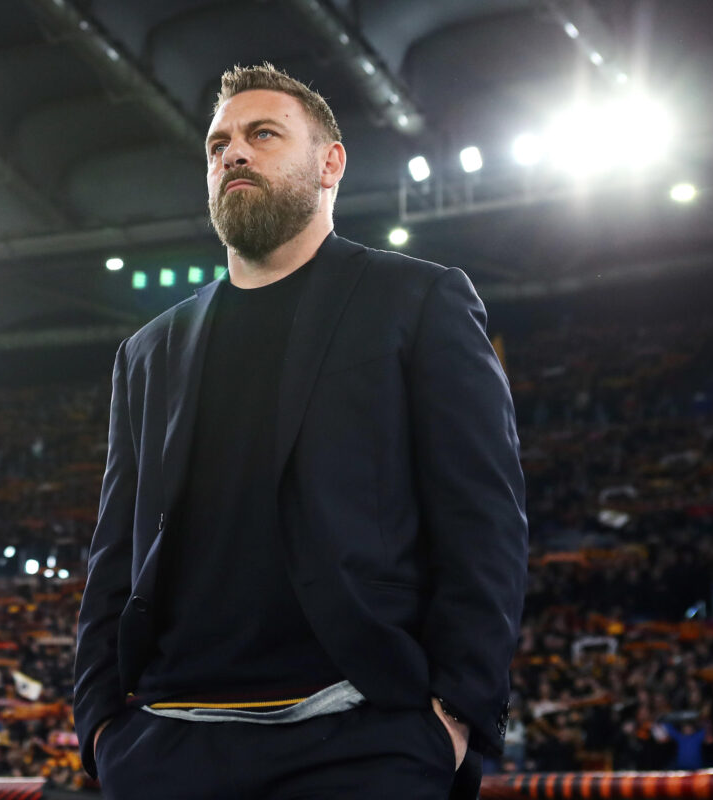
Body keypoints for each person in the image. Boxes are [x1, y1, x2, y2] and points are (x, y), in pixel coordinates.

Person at [73, 63, 528, 799]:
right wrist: (99, 725)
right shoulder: (150, 350)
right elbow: (115, 551)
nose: (233, 153)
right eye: (218, 144)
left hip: (362, 739)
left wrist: (452, 718)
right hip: (167, 743)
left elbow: (484, 520)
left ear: (330, 163)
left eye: (263, 134)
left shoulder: (417, 300)